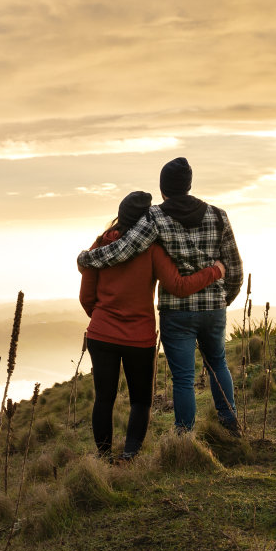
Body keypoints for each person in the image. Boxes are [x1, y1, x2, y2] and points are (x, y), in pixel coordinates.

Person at [76, 157, 245, 435]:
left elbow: (123, 250)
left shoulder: (155, 217)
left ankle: (184, 434)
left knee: (183, 377)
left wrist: (86, 258)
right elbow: (234, 267)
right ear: (188, 185)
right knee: (218, 363)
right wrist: (223, 300)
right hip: (213, 307)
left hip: (177, 311)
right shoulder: (219, 215)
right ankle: (230, 422)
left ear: (163, 188)